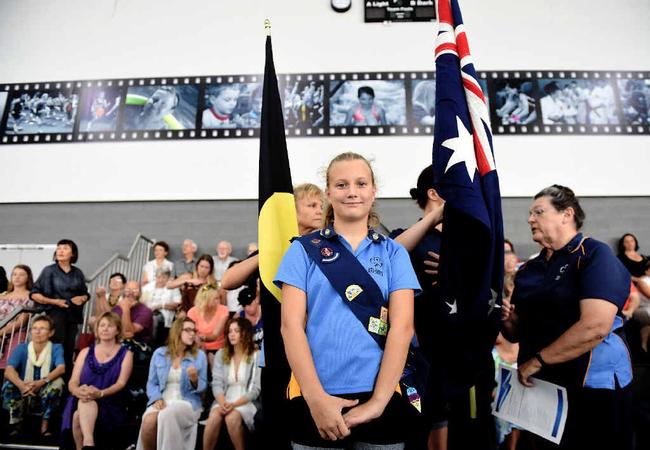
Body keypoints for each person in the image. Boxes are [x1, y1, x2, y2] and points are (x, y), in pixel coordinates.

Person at [275, 152, 420, 448]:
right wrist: (316, 400)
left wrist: (378, 402)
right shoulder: (302, 251)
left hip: (382, 396)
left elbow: (403, 328)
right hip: (313, 396)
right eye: (341, 185)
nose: (352, 192)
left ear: (373, 191)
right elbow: (290, 326)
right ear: (328, 192)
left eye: (360, 183)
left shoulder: (394, 254)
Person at [502, 185, 633, 450]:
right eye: (530, 213)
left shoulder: (595, 255)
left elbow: (595, 326)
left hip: (592, 385)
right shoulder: (528, 270)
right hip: (543, 388)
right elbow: (516, 332)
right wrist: (506, 318)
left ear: (566, 214)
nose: (530, 219)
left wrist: (536, 361)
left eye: (539, 212)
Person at [220, 183, 324, 292]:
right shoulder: (276, 245)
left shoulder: (325, 246)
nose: (320, 211)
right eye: (312, 206)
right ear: (293, 210)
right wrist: (267, 255)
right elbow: (227, 282)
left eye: (321, 207)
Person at [62, 311, 133, 450]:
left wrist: (100, 393)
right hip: (81, 397)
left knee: (78, 416)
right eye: (102, 325)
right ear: (97, 329)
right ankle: (89, 443)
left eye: (110, 326)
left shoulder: (126, 354)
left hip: (110, 399)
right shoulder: (85, 352)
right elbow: (73, 381)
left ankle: (83, 446)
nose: (105, 329)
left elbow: (121, 383)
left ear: (117, 330)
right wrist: (78, 391)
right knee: (85, 400)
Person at [137, 317, 207, 450]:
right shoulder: (159, 353)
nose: (192, 334)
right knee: (148, 421)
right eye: (188, 330)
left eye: (194, 330)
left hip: (188, 402)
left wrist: (194, 380)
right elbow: (152, 383)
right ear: (177, 331)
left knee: (166, 414)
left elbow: (203, 387)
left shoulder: (199, 356)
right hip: (163, 399)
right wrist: (156, 398)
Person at [31, 239, 90, 379]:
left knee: (69, 351)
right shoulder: (49, 271)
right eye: (58, 248)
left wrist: (83, 298)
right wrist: (55, 301)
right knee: (56, 349)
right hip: (55, 316)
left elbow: (85, 293)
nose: (60, 251)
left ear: (73, 253)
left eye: (65, 248)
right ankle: (50, 380)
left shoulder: (78, 272)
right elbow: (34, 294)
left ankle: (66, 385)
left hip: (73, 316)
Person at [203, 317, 261, 450]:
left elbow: (255, 389)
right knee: (213, 417)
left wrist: (234, 405)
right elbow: (216, 383)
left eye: (236, 331)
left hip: (247, 401)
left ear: (245, 333)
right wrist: (223, 402)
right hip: (224, 399)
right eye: (230, 331)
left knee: (232, 418)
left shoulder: (256, 355)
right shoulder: (221, 354)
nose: (232, 334)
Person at [2, 315, 65, 438]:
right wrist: (21, 386)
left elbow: (61, 368)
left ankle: (44, 424)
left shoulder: (56, 348)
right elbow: (8, 370)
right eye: (34, 328)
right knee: (9, 384)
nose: (37, 331)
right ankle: (16, 424)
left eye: (42, 328)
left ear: (51, 332)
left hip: (44, 387)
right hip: (25, 387)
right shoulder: (22, 347)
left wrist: (41, 382)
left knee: (58, 383)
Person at [0, 265, 35, 369]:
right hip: (1, 332)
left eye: (21, 274)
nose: (17, 277)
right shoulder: (3, 296)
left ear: (28, 277)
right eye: (14, 274)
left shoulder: (31, 296)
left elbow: (21, 322)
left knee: (10, 366)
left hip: (17, 334)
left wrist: (1, 332)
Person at [187, 285, 229, 366]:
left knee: (211, 356)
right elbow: (191, 333)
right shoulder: (192, 312)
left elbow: (215, 335)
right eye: (216, 299)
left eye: (219, 297)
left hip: (219, 348)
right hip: (198, 347)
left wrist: (202, 337)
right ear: (206, 300)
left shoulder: (223, 310)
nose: (219, 301)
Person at [141, 268, 181, 348]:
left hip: (164, 314)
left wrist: (160, 306)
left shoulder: (173, 288)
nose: (161, 280)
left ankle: (150, 345)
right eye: (159, 277)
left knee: (154, 318)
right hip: (147, 311)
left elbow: (177, 304)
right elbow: (142, 301)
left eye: (164, 277)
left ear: (168, 278)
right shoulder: (148, 287)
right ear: (155, 277)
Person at [112, 281, 154, 346]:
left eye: (135, 290)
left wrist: (126, 309)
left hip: (138, 345)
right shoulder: (117, 308)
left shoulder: (145, 311)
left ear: (140, 293)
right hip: (117, 341)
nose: (131, 293)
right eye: (128, 290)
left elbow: (128, 333)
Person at [237, 281, 263, 349]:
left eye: (249, 304)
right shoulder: (239, 317)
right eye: (243, 305)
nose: (246, 308)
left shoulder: (267, 312)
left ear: (256, 299)